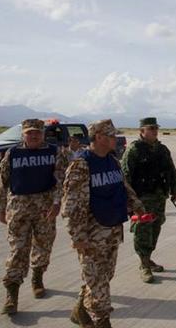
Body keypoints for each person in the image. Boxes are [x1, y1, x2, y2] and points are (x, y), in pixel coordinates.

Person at [62, 119, 144, 328]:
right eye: (111, 135)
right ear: (99, 137)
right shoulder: (82, 165)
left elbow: (122, 187)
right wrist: (78, 236)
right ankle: (101, 320)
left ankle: (80, 311)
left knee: (104, 276)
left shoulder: (112, 160)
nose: (115, 139)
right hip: (91, 235)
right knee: (99, 283)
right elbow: (73, 205)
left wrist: (136, 205)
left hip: (112, 229)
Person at [0, 119, 68, 315]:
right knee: (18, 250)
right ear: (23, 134)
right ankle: (12, 294)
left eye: (37, 132)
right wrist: (1, 207)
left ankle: (37, 277)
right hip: (18, 208)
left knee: (43, 246)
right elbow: (2, 182)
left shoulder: (54, 152)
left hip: (45, 208)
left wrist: (57, 203)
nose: (34, 136)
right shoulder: (13, 153)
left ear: (43, 134)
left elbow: (60, 180)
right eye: (29, 132)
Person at [121, 117, 176, 283]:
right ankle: (144, 265)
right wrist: (130, 201)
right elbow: (125, 176)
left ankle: (147, 258)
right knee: (142, 230)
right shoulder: (134, 150)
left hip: (159, 196)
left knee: (156, 227)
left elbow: (171, 170)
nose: (155, 131)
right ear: (142, 131)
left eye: (156, 128)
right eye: (151, 128)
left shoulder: (162, 149)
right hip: (141, 198)